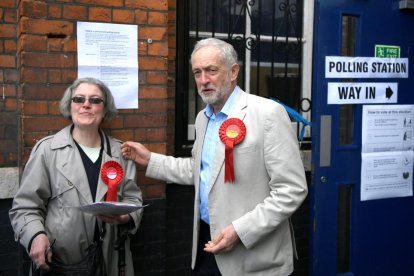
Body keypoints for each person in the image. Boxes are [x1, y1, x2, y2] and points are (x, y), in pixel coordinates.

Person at [121, 37, 308, 275]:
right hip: (207, 246)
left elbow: (292, 189)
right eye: (197, 72)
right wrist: (150, 160)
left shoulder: (267, 113)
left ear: (233, 72)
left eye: (211, 70)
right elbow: (199, 171)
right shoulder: (203, 118)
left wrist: (240, 231)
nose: (203, 80)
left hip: (254, 257)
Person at [9, 77, 143, 275]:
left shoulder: (121, 152)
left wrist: (126, 217)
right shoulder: (47, 150)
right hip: (61, 263)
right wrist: (35, 235)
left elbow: (134, 199)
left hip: (112, 260)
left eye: (95, 100)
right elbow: (25, 207)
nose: (86, 104)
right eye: (78, 99)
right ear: (69, 106)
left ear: (105, 110)